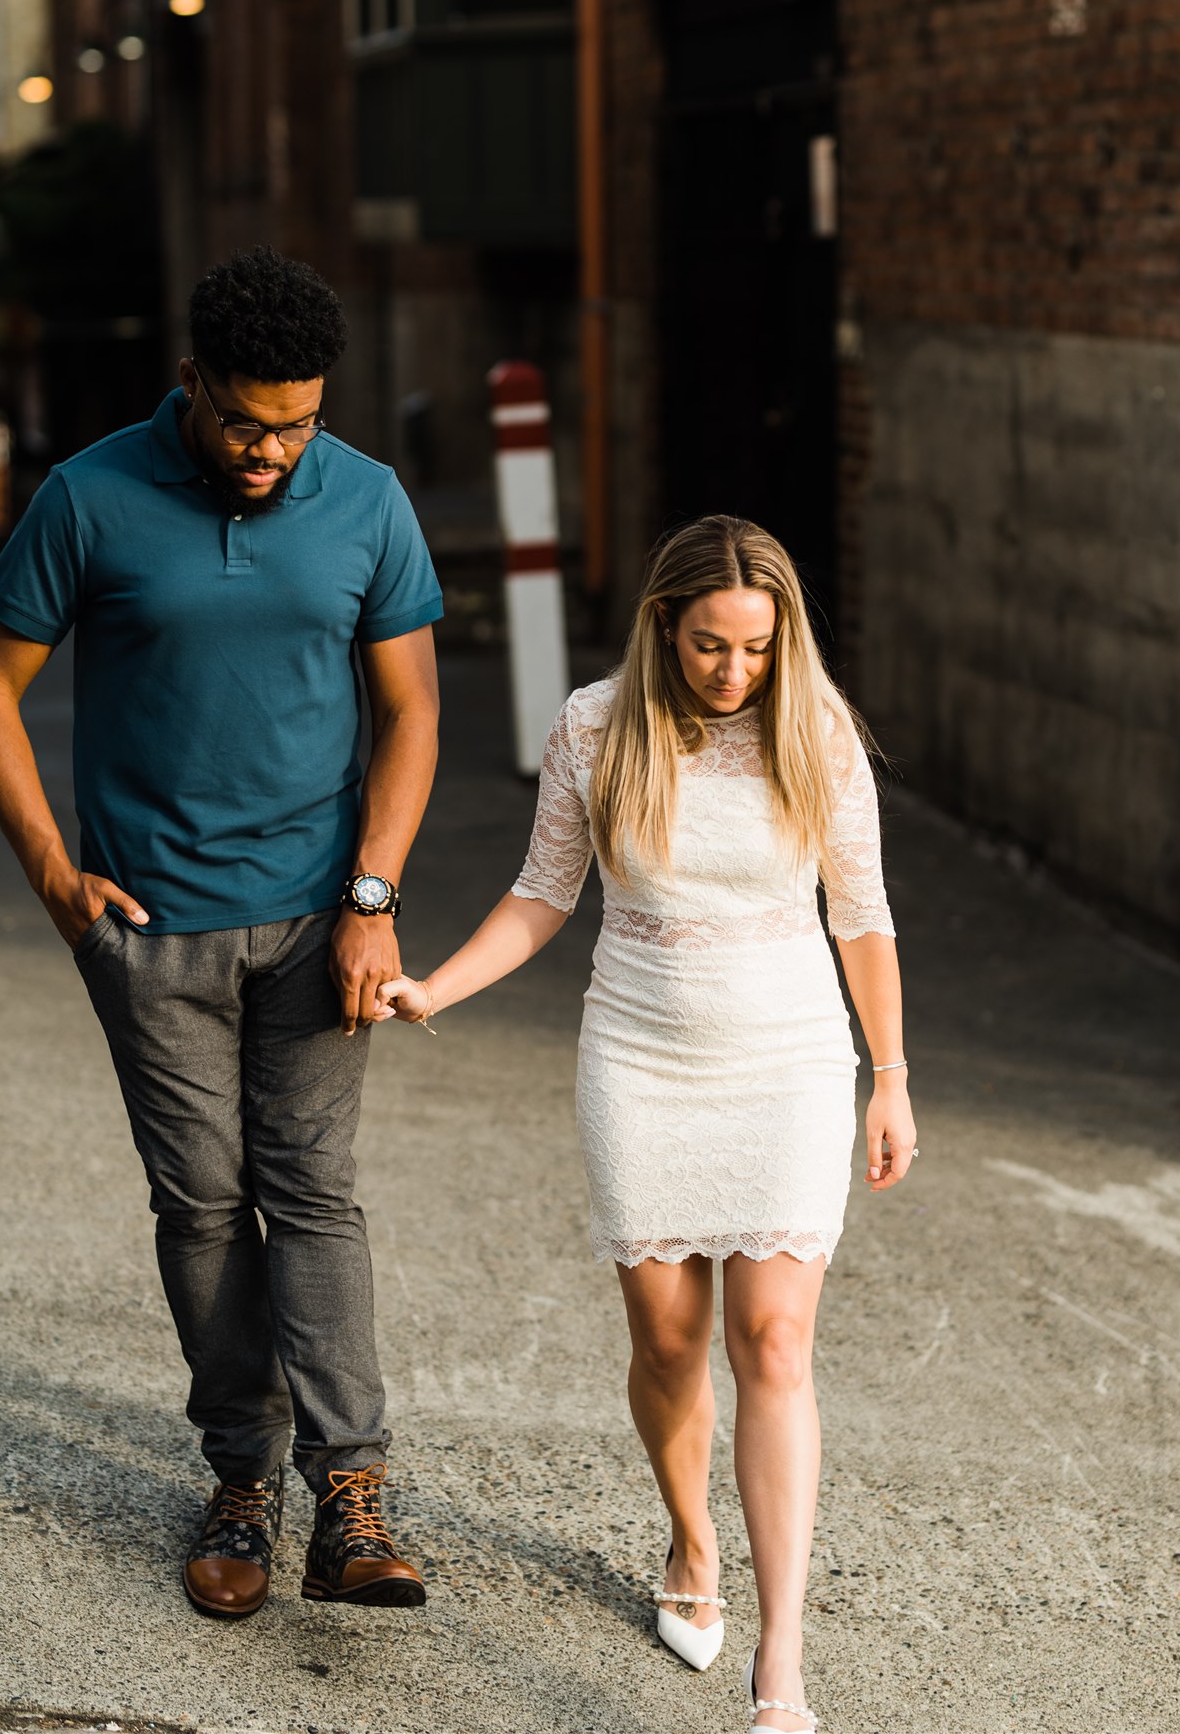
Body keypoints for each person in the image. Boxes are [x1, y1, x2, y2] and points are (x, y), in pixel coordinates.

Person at [0, 246, 443, 1621]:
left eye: (297, 421)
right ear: (190, 385)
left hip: (315, 926)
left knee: (314, 1190)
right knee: (205, 1205)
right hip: (149, 929)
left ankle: (351, 1494)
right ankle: (241, 1475)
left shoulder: (367, 499)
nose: (271, 448)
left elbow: (409, 711)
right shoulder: (91, 496)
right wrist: (54, 877)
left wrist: (372, 900)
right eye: (243, 420)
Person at [378, 515, 917, 1732]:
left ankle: (780, 1659)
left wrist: (888, 1076)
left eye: (757, 649)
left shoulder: (816, 733)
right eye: (709, 646)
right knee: (670, 1344)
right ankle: (690, 1538)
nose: (734, 674)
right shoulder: (591, 724)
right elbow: (541, 893)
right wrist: (435, 985)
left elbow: (863, 916)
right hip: (640, 1056)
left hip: (785, 1057)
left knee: (773, 1342)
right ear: (662, 625)